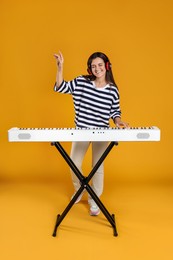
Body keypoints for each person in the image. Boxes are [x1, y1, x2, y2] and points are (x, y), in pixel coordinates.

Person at [53, 51, 128, 216]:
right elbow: (61, 87)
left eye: (100, 65)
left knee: (98, 166)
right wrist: (60, 67)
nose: (97, 69)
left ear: (107, 66)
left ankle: (95, 199)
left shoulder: (113, 90)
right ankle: (80, 189)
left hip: (101, 132)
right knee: (74, 162)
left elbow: (115, 112)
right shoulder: (82, 82)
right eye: (93, 66)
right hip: (81, 130)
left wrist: (118, 121)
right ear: (90, 69)